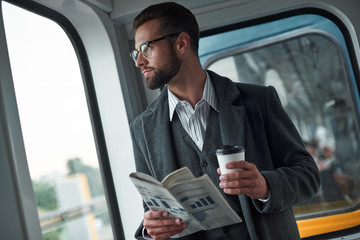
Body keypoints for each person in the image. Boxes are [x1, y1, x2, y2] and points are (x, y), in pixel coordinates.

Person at [129, 2, 320, 240]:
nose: (139, 62)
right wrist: (151, 230)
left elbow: (309, 175)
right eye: (136, 52)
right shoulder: (143, 129)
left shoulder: (259, 101)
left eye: (146, 48)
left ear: (181, 43)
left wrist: (265, 186)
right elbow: (153, 210)